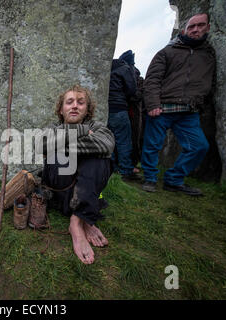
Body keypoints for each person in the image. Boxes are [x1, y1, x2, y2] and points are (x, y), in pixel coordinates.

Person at [37, 85, 115, 265]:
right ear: (61, 109)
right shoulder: (53, 128)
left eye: (81, 102)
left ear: (87, 109)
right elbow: (40, 146)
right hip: (60, 190)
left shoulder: (98, 127)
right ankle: (86, 216)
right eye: (69, 102)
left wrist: (60, 144)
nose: (75, 106)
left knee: (102, 159)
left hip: (85, 189)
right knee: (63, 157)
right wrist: (81, 132)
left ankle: (78, 219)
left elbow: (106, 146)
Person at [141, 13, 215, 196]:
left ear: (208, 28)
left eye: (200, 25)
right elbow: (152, 79)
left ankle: (174, 179)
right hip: (163, 107)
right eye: (192, 26)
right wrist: (152, 104)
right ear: (184, 30)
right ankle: (149, 178)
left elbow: (210, 82)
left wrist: (202, 102)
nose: (196, 29)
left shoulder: (208, 56)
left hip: (189, 111)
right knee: (153, 145)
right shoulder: (167, 51)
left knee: (199, 146)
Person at [107, 50, 140, 181]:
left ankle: (112, 167)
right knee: (124, 141)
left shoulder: (110, 66)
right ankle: (126, 170)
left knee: (110, 140)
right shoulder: (125, 68)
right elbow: (131, 89)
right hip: (120, 108)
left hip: (107, 108)